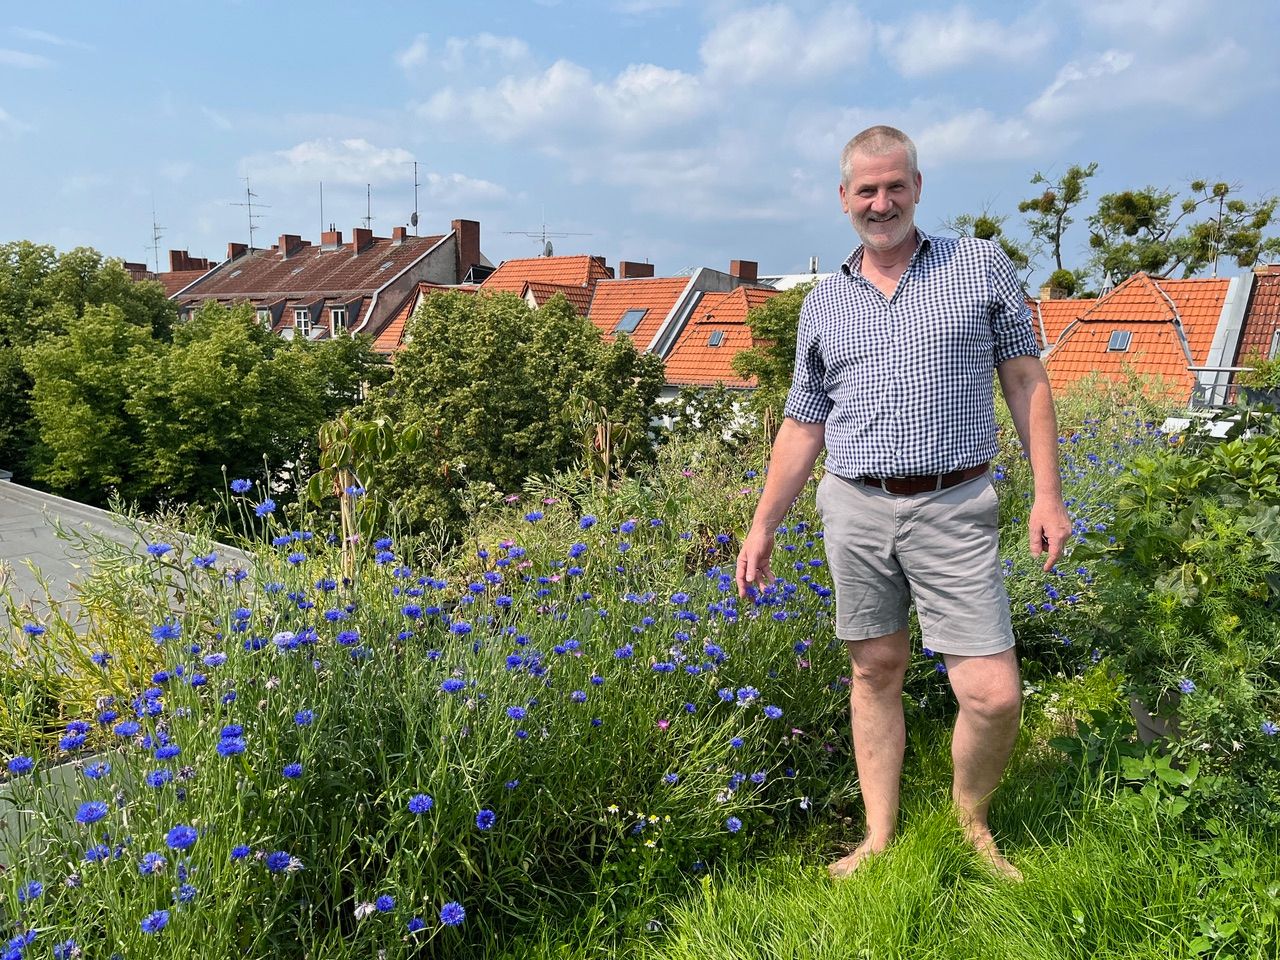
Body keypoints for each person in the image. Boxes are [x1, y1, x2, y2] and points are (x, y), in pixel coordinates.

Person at [735, 125, 1071, 881]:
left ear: (917, 187)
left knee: (991, 694)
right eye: (866, 190)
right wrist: (762, 525)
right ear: (844, 198)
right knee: (875, 669)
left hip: (954, 502)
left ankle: (970, 819)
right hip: (854, 504)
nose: (881, 203)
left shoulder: (978, 265)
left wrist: (1048, 495)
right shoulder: (822, 305)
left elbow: (1026, 381)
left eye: (894, 186)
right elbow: (803, 422)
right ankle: (880, 838)